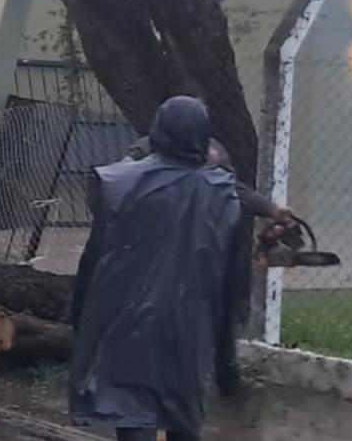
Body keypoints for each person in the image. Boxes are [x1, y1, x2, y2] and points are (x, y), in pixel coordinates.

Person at [70, 97, 244, 441]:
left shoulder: (118, 184)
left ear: (158, 131)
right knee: (184, 419)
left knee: (133, 413)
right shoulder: (225, 196)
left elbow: (93, 262)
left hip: (129, 324)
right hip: (190, 328)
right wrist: (226, 361)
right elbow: (230, 288)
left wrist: (81, 322)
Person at [124, 125, 293, 396]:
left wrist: (271, 209)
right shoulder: (146, 151)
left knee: (224, 314)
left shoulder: (213, 151)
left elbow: (233, 188)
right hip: (166, 251)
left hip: (216, 245)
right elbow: (120, 187)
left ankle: (227, 382)